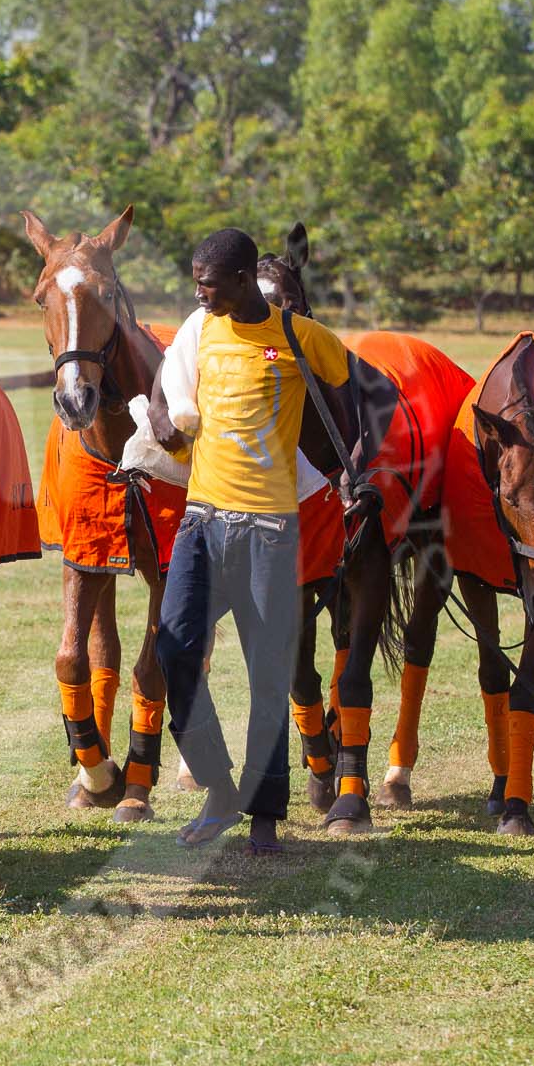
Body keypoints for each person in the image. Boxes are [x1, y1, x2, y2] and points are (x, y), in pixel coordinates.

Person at [151, 228, 358, 854]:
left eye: (207, 282)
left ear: (241, 281)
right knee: (175, 648)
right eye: (196, 280)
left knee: (269, 671)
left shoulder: (298, 336)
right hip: (202, 522)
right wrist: (161, 418)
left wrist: (354, 466)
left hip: (271, 530)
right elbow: (167, 385)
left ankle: (265, 812)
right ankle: (217, 788)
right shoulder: (199, 326)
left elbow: (361, 391)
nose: (198, 291)